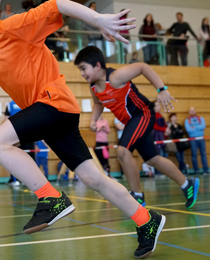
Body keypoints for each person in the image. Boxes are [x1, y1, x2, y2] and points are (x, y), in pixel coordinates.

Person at [0, 0, 166, 258]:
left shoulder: (15, 26)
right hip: (50, 115)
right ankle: (146, 220)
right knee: (93, 178)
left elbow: (57, 4)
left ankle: (51, 199)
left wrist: (97, 19)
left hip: (54, 104)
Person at [75, 46, 199, 209]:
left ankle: (137, 196)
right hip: (132, 122)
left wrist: (162, 90)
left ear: (97, 66)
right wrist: (93, 119)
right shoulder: (93, 87)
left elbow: (142, 67)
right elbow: (98, 103)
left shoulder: (115, 78)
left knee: (122, 151)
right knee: (152, 159)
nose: (82, 73)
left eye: (84, 68)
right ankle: (187, 184)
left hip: (143, 114)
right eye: (80, 70)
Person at [4, 100, 36, 185]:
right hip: (27, 133)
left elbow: (6, 119)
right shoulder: (27, 102)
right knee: (29, 157)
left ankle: (16, 179)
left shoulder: (10, 104)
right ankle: (30, 179)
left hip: (16, 134)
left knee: (15, 157)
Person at [185, 107, 209, 174]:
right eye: (190, 110)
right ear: (189, 112)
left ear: (195, 111)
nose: (192, 112)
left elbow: (203, 126)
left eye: (193, 110)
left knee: (203, 154)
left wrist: (194, 127)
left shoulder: (201, 118)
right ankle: (196, 170)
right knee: (194, 154)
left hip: (201, 138)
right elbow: (188, 129)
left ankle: (206, 169)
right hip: (193, 139)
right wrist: (198, 127)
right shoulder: (187, 120)